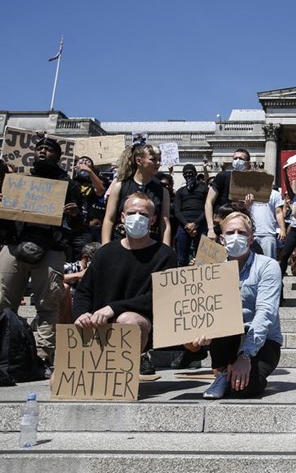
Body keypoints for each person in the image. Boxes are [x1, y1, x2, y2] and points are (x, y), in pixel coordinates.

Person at [73, 193, 178, 375]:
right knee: (55, 384)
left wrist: (113, 308)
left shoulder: (166, 255)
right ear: (122, 217)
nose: (136, 218)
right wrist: (82, 314)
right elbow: (84, 291)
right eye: (131, 213)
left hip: (142, 325)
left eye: (143, 214)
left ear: (152, 220)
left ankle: (125, 371)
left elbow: (159, 298)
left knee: (127, 320)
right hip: (99, 324)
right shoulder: (104, 253)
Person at [0, 137, 81, 368]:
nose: (43, 151)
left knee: (48, 304)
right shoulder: (19, 181)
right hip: (15, 245)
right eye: (39, 149)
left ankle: (43, 354)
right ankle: (5, 350)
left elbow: (79, 228)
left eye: (49, 149)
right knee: (2, 300)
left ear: (58, 156)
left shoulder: (69, 185)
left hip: (50, 249)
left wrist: (75, 215)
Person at [193, 212, 283, 399]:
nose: (236, 236)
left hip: (262, 340)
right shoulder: (211, 268)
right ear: (222, 238)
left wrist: (245, 356)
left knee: (243, 388)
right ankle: (223, 372)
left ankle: (230, 374)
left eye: (241, 232)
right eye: (230, 232)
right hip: (227, 337)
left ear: (251, 239)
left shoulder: (268, 266)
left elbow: (266, 312)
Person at [102, 144, 171, 246]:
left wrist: (166, 250)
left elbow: (164, 223)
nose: (158, 163)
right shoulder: (119, 187)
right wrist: (105, 247)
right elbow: (109, 219)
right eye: (153, 159)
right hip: (121, 243)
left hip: (150, 244)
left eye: (159, 159)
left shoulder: (163, 191)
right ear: (139, 161)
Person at [204, 149, 252, 239]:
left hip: (239, 226)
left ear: (247, 163)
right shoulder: (223, 176)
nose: (237, 160)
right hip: (220, 225)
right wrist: (210, 228)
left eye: (241, 159)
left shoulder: (250, 182)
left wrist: (247, 206)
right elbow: (208, 202)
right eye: (235, 158)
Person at [174, 164, 208, 267]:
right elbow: (177, 211)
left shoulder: (204, 189)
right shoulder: (180, 191)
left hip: (200, 226)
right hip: (184, 227)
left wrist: (195, 224)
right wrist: (187, 226)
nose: (188, 175)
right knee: (181, 259)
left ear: (196, 174)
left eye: (190, 173)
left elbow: (207, 208)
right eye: (186, 173)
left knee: (202, 259)